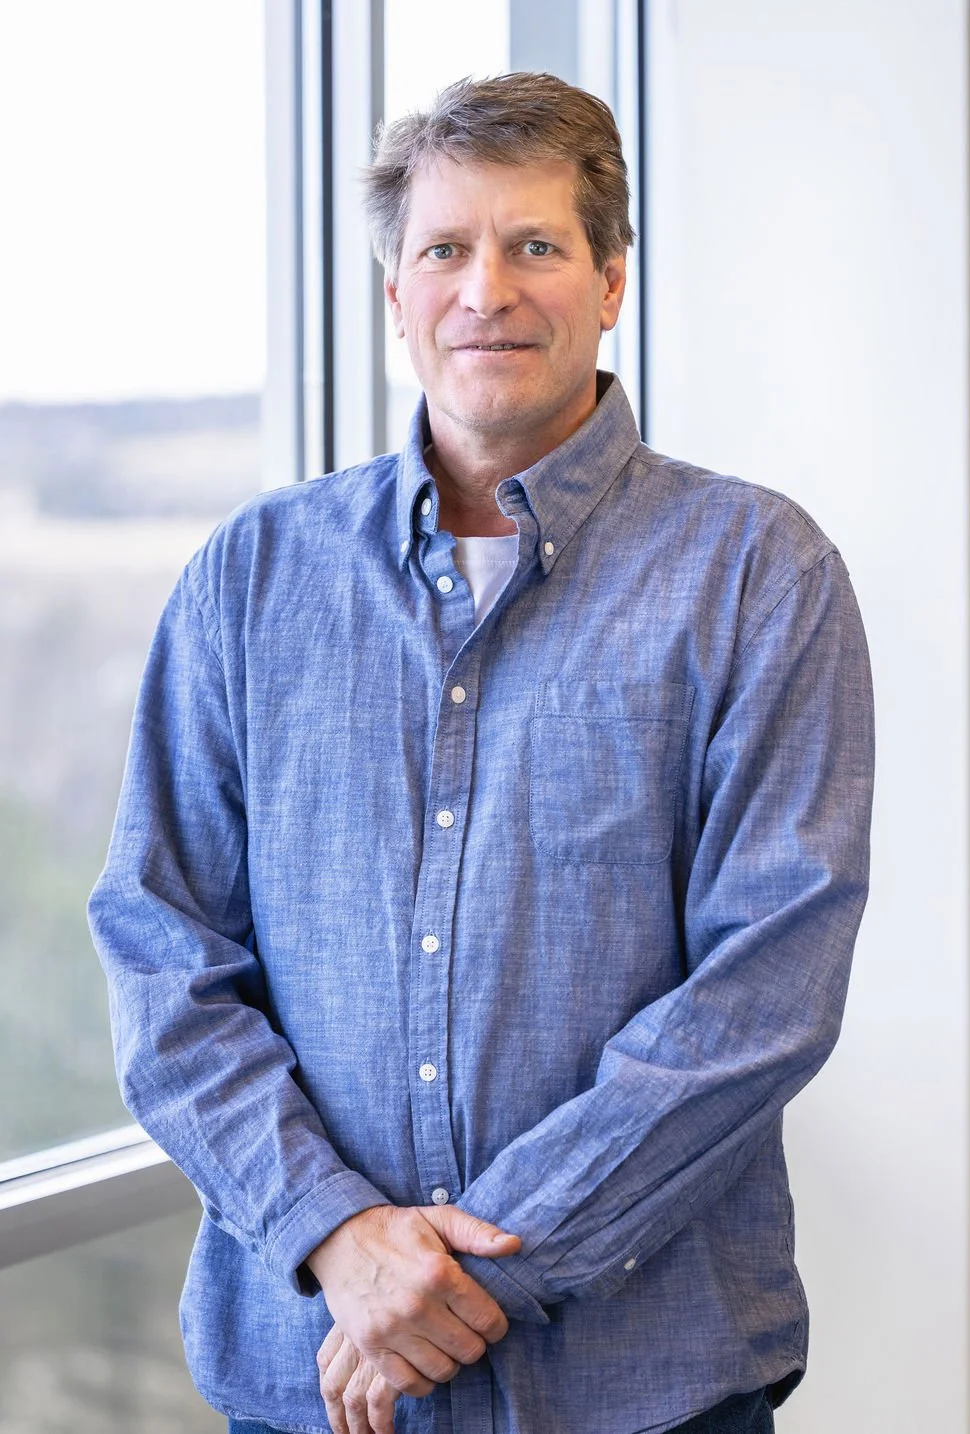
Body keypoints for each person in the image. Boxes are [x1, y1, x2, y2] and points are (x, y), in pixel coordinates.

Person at [89, 71, 873, 1434]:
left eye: (537, 245)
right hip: (308, 1373)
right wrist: (338, 1236)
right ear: (395, 291)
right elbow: (163, 951)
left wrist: (473, 1274)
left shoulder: (759, 570)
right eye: (444, 248)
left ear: (612, 280)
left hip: (646, 1388)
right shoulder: (250, 578)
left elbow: (768, 988)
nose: (485, 289)